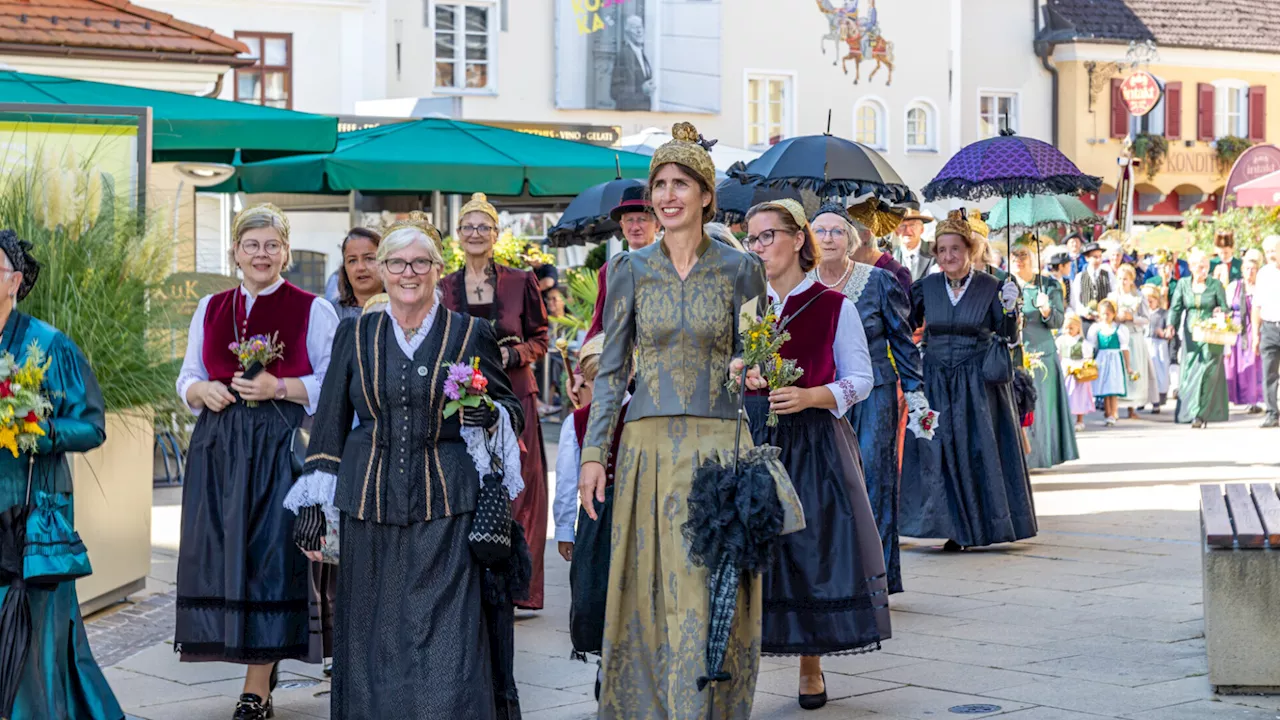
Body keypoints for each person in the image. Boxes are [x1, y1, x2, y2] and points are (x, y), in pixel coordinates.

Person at [285, 221, 526, 719]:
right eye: (396, 263)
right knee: (373, 640)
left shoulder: (470, 333)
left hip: (448, 509)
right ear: (381, 270)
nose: (407, 273)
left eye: (420, 263)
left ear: (439, 270)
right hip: (369, 507)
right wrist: (312, 502)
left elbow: (511, 408)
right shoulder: (356, 333)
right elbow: (329, 419)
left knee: (449, 640)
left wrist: (491, 415)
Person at [577, 122, 768, 718]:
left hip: (719, 447)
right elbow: (611, 373)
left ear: (706, 194)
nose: (667, 195)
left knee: (711, 588)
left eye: (680, 183)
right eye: (659, 184)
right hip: (646, 449)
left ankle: (706, 706)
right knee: (648, 590)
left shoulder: (741, 272)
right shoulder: (629, 270)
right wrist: (591, 456)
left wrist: (756, 367)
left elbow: (762, 353)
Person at [174, 204, 340, 719]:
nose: (262, 254)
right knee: (224, 557)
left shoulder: (313, 309)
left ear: (286, 252)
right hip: (219, 448)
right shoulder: (211, 307)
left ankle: (257, 686)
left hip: (278, 447)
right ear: (236, 253)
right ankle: (250, 668)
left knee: (270, 559)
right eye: (252, 245)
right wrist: (201, 389)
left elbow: (333, 385)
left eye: (272, 245)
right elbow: (187, 377)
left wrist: (280, 386)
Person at [743, 200, 886, 709]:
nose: (758, 248)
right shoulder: (747, 309)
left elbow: (862, 380)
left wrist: (810, 395)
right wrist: (743, 373)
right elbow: (725, 371)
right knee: (751, 552)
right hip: (754, 437)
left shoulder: (833, 305)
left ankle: (810, 665)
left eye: (767, 237)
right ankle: (741, 657)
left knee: (807, 549)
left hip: (813, 440)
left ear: (798, 239)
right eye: (752, 239)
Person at [0, 233, 123, 720]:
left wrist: (33, 427)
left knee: (36, 633)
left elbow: (91, 425)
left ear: (15, 280)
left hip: (30, 511)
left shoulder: (48, 345)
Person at [440, 192, 551, 611]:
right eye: (468, 226)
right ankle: (471, 582)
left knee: (520, 488)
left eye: (483, 226)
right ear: (457, 235)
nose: (475, 233)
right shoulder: (444, 286)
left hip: (515, 395)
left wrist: (513, 354)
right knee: (471, 484)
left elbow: (541, 338)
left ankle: (519, 588)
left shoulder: (521, 281)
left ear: (496, 234)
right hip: (463, 400)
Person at [900, 210, 1035, 551]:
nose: (948, 256)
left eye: (955, 249)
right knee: (939, 452)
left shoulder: (993, 286)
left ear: (969, 250)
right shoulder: (926, 287)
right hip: (935, 380)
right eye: (942, 250)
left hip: (978, 384)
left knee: (978, 450)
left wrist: (1009, 309)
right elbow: (904, 327)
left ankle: (981, 526)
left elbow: (1007, 335)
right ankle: (952, 527)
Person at [808, 203, 925, 595]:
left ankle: (874, 579)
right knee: (827, 482)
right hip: (822, 395)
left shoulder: (877, 282)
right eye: (820, 231)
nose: (828, 238)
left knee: (874, 479)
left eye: (837, 231)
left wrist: (915, 392)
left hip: (873, 394)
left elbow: (902, 339)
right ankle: (834, 573)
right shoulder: (801, 283)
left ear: (851, 239)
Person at [552, 333, 625, 702]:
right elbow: (566, 480)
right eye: (597, 381)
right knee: (597, 591)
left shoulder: (644, 414)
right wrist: (565, 528)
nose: (604, 388)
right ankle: (605, 661)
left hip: (636, 515)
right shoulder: (577, 422)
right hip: (598, 520)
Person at [1008, 244, 1077, 469]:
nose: (1019, 260)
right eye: (1014, 255)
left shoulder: (1048, 285)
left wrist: (1046, 309)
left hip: (1041, 355)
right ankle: (1018, 459)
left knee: (1039, 409)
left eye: (1024, 255)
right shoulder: (1005, 285)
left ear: (1033, 258)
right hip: (1013, 354)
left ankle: (1038, 458)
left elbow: (1057, 322)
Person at [584, 185, 658, 343]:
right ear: (622, 226)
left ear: (657, 225)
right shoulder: (611, 269)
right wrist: (583, 363)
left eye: (642, 220)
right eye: (629, 220)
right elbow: (599, 322)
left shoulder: (674, 263)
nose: (635, 227)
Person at [1170, 249, 1230, 428]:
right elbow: (1176, 307)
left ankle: (1201, 414)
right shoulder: (1183, 284)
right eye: (1198, 266)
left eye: (1204, 266)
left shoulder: (1215, 285)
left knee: (1207, 373)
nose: (1202, 269)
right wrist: (1170, 325)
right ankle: (1188, 411)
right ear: (1190, 267)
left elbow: (1225, 307)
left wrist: (1221, 311)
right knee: (1190, 374)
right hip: (1190, 336)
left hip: (1211, 334)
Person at [1111, 264, 1158, 417]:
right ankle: (1115, 408)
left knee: (1134, 370)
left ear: (1131, 280)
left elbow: (1146, 319)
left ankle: (1132, 408)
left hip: (1134, 336)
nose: (1122, 282)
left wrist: (1133, 318)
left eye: (1125, 279)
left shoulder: (1138, 296)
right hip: (1118, 335)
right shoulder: (1113, 296)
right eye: (1120, 278)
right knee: (1119, 371)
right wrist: (1116, 317)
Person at [1226, 249, 1264, 413]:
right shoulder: (1235, 286)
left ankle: (1252, 400)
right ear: (1242, 270)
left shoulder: (1260, 288)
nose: (1250, 272)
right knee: (1234, 364)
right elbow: (1226, 307)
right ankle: (1234, 398)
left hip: (1253, 327)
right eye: (1247, 269)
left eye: (1253, 269)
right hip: (1236, 328)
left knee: (1252, 364)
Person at [1088, 300, 1132, 427]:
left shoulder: (1119, 329)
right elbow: (1091, 346)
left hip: (1114, 360)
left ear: (1113, 314)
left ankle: (1113, 412)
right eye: (1103, 314)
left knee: (1113, 386)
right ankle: (1107, 413)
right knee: (1104, 388)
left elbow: (1124, 348)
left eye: (1108, 313)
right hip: (1102, 359)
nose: (1105, 316)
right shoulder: (1096, 328)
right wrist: (1089, 361)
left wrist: (1128, 366)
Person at [1254, 236, 1280, 428]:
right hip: (1269, 327)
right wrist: (1256, 333)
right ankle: (1272, 413)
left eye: (1275, 250)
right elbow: (1257, 305)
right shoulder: (1263, 274)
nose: (1272, 255)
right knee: (1269, 373)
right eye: (1268, 251)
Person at [332, 227, 383, 322]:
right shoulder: (330, 313)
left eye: (369, 258)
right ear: (344, 268)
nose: (361, 267)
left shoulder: (402, 309)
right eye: (352, 260)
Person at [1056, 313, 1095, 430]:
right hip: (1066, 371)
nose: (1069, 330)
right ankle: (1066, 420)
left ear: (1078, 327)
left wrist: (1084, 365)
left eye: (1071, 328)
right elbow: (1058, 355)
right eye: (1066, 327)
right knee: (1066, 395)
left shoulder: (1082, 342)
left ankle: (1079, 420)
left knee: (1079, 396)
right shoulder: (1061, 340)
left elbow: (1088, 357)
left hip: (1078, 373)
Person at [610, 15, 653, 111]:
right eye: (635, 28)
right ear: (627, 32)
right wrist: (641, 90)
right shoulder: (623, 55)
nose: (639, 31)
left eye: (640, 27)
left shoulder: (641, 53)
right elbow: (615, 92)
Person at [1070, 242, 1112, 332]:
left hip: (1104, 320)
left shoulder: (1108, 275)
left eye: (1100, 256)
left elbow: (1113, 295)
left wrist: (1105, 312)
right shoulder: (1080, 277)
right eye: (1095, 257)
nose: (1098, 260)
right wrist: (1084, 312)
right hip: (1086, 320)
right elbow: (1075, 300)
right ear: (1087, 258)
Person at [1144, 285, 1172, 410]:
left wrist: (1164, 333)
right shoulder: (1143, 314)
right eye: (1147, 301)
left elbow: (1169, 331)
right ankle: (1144, 399)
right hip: (1146, 343)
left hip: (1159, 345)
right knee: (1146, 371)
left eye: (1152, 300)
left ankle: (1158, 399)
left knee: (1159, 371)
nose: (1149, 303)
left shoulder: (1163, 314)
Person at [892, 207, 936, 282]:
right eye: (902, 225)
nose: (907, 230)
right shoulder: (889, 256)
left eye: (912, 225)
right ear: (896, 231)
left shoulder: (936, 252)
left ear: (922, 229)